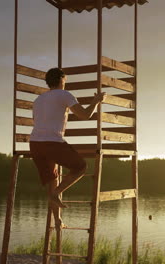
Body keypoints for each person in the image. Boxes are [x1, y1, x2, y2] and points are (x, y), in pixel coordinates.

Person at [29, 68, 106, 227]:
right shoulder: (64, 94)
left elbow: (36, 121)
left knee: (52, 179)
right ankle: (56, 194)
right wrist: (96, 101)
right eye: (65, 80)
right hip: (52, 142)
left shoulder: (38, 99)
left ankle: (57, 220)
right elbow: (85, 115)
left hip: (35, 144)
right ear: (61, 79)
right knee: (81, 167)